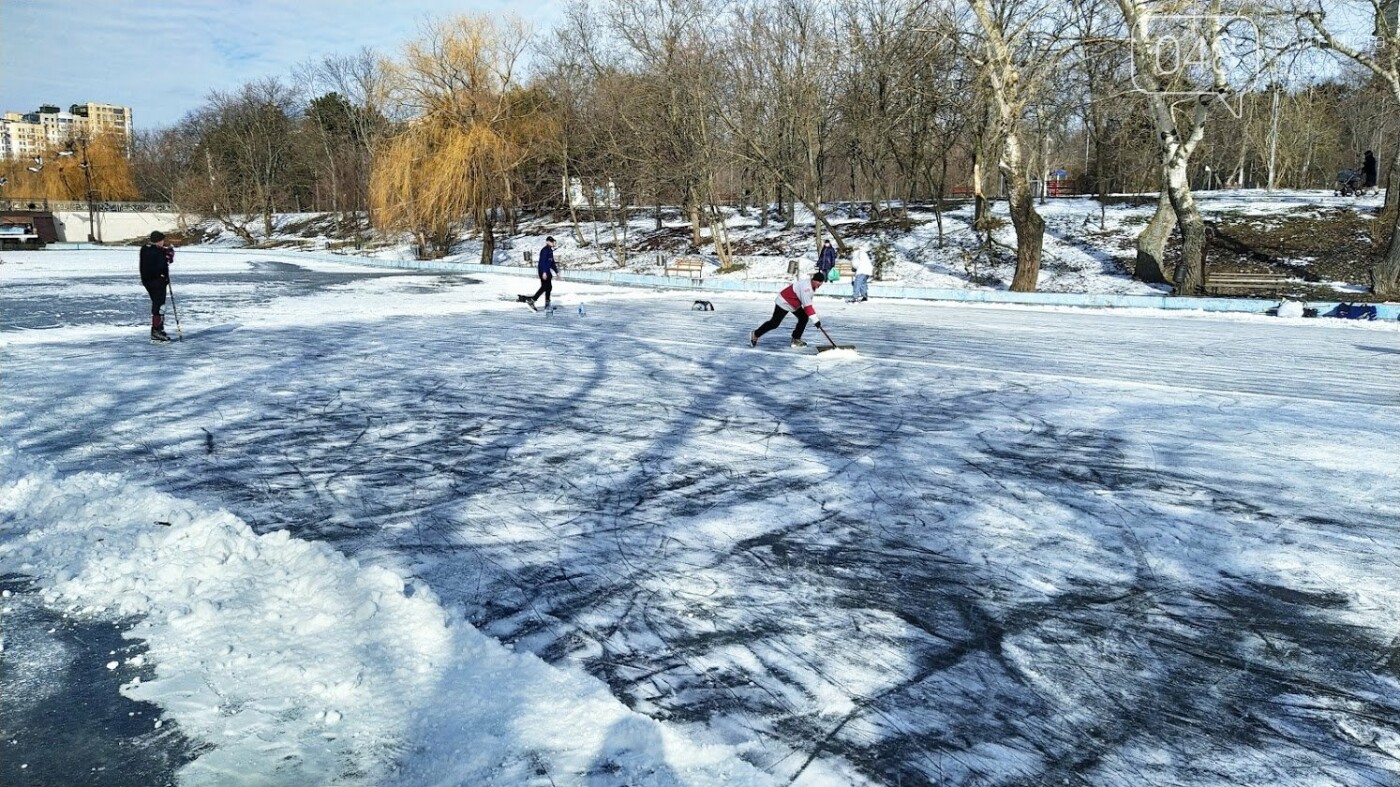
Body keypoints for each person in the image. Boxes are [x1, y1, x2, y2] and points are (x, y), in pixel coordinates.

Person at [750, 270, 826, 348]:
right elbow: (807, 306)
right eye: (818, 281)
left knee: (803, 317)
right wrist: (815, 320)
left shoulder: (811, 285)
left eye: (821, 282)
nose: (819, 283)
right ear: (813, 280)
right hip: (784, 301)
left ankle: (796, 339)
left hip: (793, 303)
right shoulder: (806, 288)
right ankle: (756, 334)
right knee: (774, 323)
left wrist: (813, 318)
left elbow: (807, 304)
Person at [139, 230, 173, 342]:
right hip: (156, 281)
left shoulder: (147, 249)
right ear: (158, 241)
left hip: (152, 280)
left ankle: (159, 328)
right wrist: (167, 257)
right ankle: (156, 330)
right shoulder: (153, 252)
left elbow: (160, 256)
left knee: (160, 305)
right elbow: (160, 263)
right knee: (159, 305)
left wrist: (166, 255)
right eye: (162, 240)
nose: (163, 242)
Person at [525, 236, 559, 309]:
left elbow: (552, 262)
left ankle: (547, 304)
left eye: (553, 241)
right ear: (547, 242)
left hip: (548, 272)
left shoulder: (550, 251)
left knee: (549, 287)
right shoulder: (544, 250)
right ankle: (532, 300)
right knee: (544, 287)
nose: (553, 243)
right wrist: (544, 272)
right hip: (543, 271)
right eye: (551, 241)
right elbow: (542, 262)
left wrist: (556, 272)